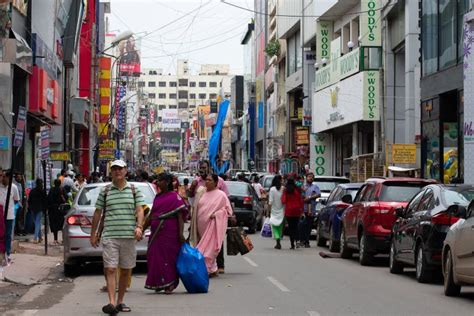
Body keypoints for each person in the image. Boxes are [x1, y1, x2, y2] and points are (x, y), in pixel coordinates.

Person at [90, 160, 146, 315]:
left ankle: (120, 301)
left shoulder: (134, 190)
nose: (117, 171)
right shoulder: (105, 191)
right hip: (110, 236)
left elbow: (140, 210)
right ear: (111, 172)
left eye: (120, 169)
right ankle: (112, 302)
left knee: (126, 270)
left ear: (125, 171)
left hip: (128, 236)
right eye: (114, 169)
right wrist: (93, 234)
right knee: (110, 268)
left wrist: (139, 227)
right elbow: (97, 212)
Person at [144, 173, 188, 294]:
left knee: (169, 258)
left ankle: (170, 283)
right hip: (156, 233)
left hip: (170, 233)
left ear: (167, 182)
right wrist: (141, 228)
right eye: (157, 180)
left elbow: (180, 216)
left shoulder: (175, 197)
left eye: (160, 180)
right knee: (154, 257)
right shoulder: (157, 197)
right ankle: (158, 283)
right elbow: (151, 214)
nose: (158, 183)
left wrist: (180, 234)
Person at [189, 160, 230, 274]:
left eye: (204, 167)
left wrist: (221, 214)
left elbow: (225, 199)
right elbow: (191, 197)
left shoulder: (220, 181)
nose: (202, 170)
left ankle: (219, 265)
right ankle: (206, 265)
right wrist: (192, 189)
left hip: (215, 220)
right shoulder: (197, 182)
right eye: (200, 167)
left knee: (216, 242)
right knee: (202, 243)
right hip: (200, 219)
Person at [0, 170, 20, 260]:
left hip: (9, 215)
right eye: (2, 176)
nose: (3, 178)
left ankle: (7, 254)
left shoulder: (14, 187)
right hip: (0, 215)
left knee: (8, 235)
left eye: (5, 177)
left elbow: (16, 200)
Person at [281, 177, 303, 250]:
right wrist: (301, 210)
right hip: (297, 210)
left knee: (291, 228)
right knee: (296, 226)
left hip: (289, 211)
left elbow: (283, 201)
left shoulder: (286, 190)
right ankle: (298, 240)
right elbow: (301, 200)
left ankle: (292, 244)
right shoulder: (297, 190)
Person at [299, 173, 321, 248]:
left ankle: (307, 241)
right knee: (302, 225)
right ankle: (302, 240)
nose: (310, 178)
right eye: (309, 177)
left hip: (311, 209)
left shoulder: (315, 187)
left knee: (309, 226)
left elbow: (318, 194)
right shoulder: (303, 186)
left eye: (312, 177)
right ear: (306, 178)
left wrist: (310, 197)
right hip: (303, 209)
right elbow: (301, 196)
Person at [27, 178, 48, 244]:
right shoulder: (43, 191)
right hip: (40, 209)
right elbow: (45, 201)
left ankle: (40, 237)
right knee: (37, 223)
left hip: (33, 208)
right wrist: (45, 209)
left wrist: (29, 208)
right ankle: (36, 238)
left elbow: (29, 200)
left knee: (36, 223)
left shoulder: (32, 191)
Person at [48, 179, 66, 245]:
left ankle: (55, 239)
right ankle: (63, 239)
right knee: (62, 225)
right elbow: (65, 199)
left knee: (54, 225)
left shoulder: (51, 190)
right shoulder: (62, 190)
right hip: (61, 210)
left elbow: (49, 199)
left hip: (53, 210)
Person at [269, 175, 284, 250]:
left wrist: (268, 211)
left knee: (274, 226)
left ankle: (277, 240)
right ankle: (279, 239)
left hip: (274, 210)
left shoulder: (272, 189)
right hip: (282, 209)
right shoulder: (283, 189)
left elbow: (270, 202)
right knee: (280, 226)